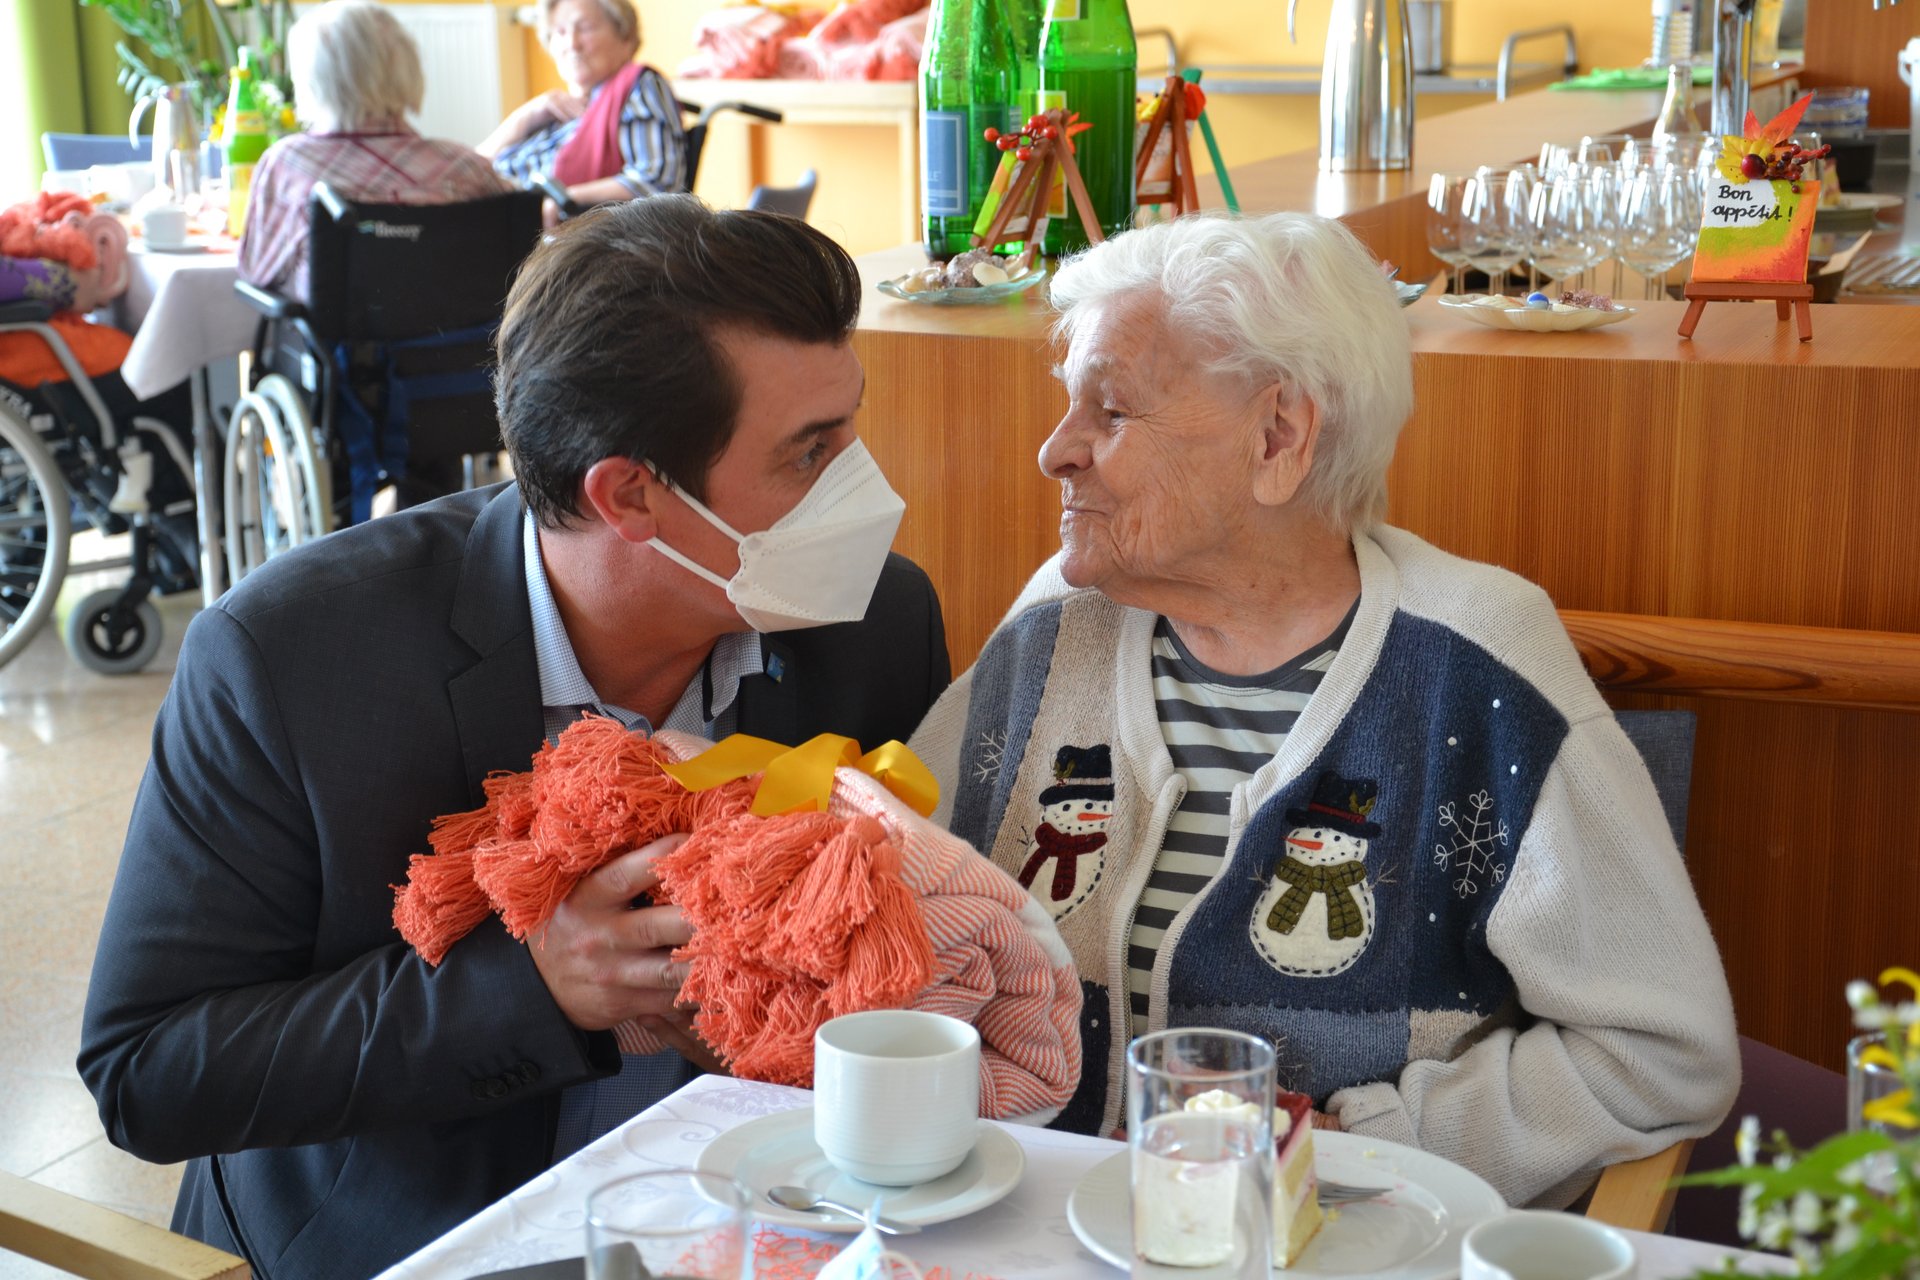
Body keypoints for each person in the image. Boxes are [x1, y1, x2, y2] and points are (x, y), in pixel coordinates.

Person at [79, 196, 950, 1279]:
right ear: (629, 494)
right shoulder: (292, 658)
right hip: (410, 1241)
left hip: (758, 1221)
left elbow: (929, 949)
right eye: (811, 451)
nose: (864, 488)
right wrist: (532, 989)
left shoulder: (875, 624)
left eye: (850, 427)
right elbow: (150, 1068)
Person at [909, 211, 1739, 1208]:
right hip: (1036, 1228)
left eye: (1112, 410)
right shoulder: (1060, 623)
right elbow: (897, 901)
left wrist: (1366, 1146)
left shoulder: (1473, 662)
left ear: (1280, 436)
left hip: (1346, 1246)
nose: (1056, 450)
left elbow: (1662, 1053)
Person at [237, 0, 512, 305]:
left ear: (312, 79)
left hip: (336, 334)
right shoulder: (466, 167)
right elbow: (518, 252)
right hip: (466, 333)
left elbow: (256, 271)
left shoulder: (287, 164)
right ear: (407, 68)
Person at [478, 0, 686, 218]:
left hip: (511, 221)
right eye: (560, 31)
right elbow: (472, 166)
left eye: (586, 28)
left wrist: (564, 199)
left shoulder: (638, 86)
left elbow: (657, 182)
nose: (572, 43)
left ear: (625, 37)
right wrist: (522, 118)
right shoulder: (554, 110)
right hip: (485, 205)